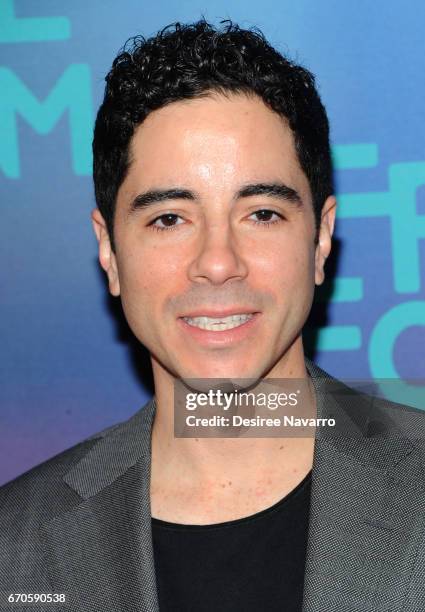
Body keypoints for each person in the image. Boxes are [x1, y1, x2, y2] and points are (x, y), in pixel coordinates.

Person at [1, 18, 424, 612]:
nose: (218, 263)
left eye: (262, 213)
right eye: (169, 218)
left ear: (321, 239)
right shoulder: (14, 548)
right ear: (110, 252)